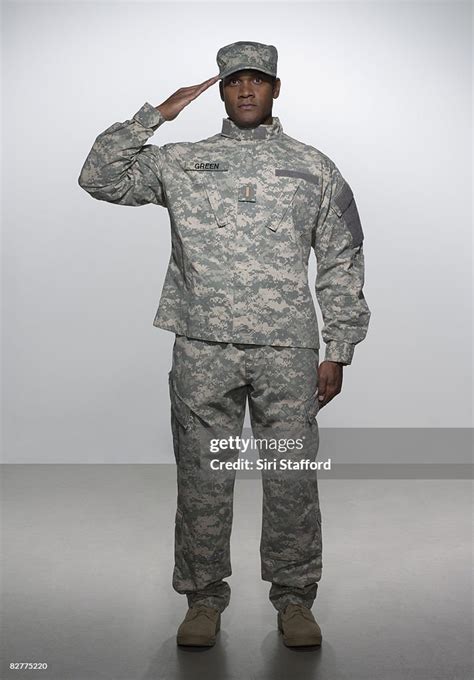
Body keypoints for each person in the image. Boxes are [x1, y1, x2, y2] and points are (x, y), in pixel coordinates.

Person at [78, 40, 371, 648]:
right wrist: (153, 116)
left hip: (286, 350)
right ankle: (203, 601)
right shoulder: (181, 160)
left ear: (275, 89)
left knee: (290, 476)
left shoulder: (312, 166)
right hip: (202, 346)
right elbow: (98, 177)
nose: (246, 91)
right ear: (220, 88)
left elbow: (342, 257)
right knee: (203, 478)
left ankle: (295, 601)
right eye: (234, 81)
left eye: (258, 81)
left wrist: (338, 346)